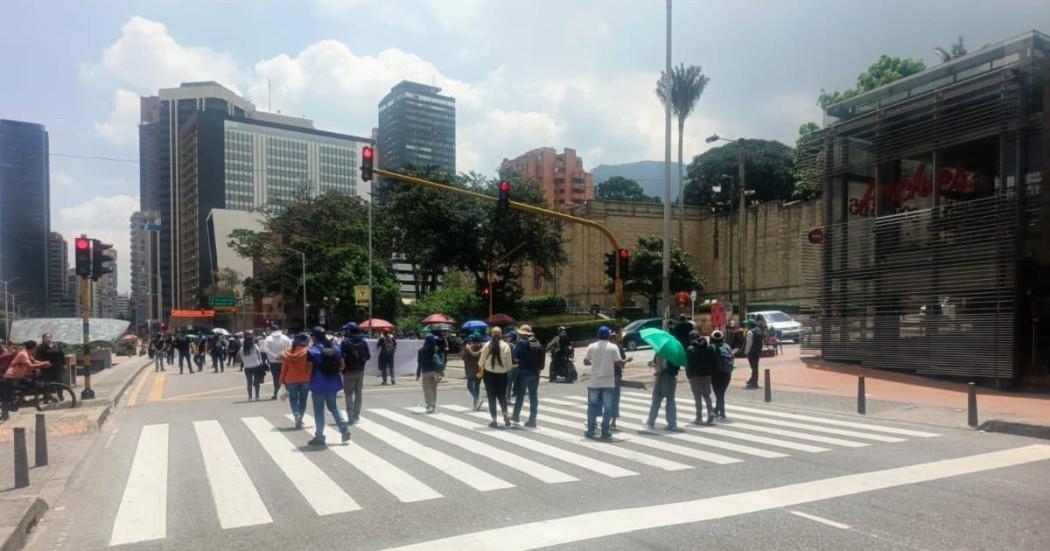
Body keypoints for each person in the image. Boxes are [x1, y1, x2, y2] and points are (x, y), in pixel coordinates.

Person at [306, 326, 350, 446]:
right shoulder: (336, 348)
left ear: (314, 337)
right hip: (333, 383)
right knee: (333, 407)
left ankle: (320, 437)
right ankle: (344, 429)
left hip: (318, 384)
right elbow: (342, 365)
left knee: (319, 411)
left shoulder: (313, 350)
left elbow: (309, 369)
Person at [583, 326, 624, 440]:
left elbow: (586, 361)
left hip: (594, 382)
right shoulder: (613, 347)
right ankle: (605, 431)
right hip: (608, 382)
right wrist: (625, 362)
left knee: (592, 407)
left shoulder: (592, 346)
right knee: (608, 408)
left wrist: (594, 363)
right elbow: (619, 363)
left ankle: (591, 431)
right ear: (609, 336)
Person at [1, 341, 51, 418]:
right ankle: (7, 412)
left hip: (19, 377)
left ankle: (19, 399)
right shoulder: (23, 354)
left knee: (30, 384)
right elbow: (30, 366)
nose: (36, 348)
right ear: (34, 347)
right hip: (10, 378)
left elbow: (34, 361)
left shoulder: (28, 353)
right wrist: (42, 365)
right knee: (7, 400)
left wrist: (43, 362)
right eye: (36, 347)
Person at [478, 326, 513, 428]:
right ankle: (506, 416)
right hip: (502, 375)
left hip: (489, 374)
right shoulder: (506, 346)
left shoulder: (487, 345)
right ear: (501, 334)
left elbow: (481, 362)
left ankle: (494, 420)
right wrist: (505, 369)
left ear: (491, 334)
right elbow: (509, 364)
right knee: (502, 396)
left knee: (491, 397)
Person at [511, 325, 544, 427]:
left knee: (520, 395)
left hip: (524, 371)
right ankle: (532, 419)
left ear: (522, 334)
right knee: (533, 396)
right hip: (536, 372)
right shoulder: (537, 342)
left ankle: (516, 416)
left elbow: (515, 357)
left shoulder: (521, 343)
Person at [340, 323, 370, 424]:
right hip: (360, 371)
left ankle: (351, 417)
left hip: (348, 371)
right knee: (358, 394)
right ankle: (356, 415)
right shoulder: (363, 341)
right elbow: (368, 356)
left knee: (348, 394)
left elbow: (341, 357)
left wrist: (342, 369)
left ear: (349, 330)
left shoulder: (345, 342)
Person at [279, 333, 311, 429]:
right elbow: (310, 367)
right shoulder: (308, 352)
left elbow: (284, 368)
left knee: (293, 399)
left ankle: (296, 413)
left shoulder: (287, 352)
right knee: (303, 400)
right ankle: (300, 416)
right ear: (304, 341)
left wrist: (282, 379)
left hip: (291, 379)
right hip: (305, 379)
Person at [645, 344, 681, 431]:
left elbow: (657, 365)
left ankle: (651, 420)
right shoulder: (675, 353)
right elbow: (677, 367)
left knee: (656, 399)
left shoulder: (660, 352)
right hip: (672, 377)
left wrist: (652, 364)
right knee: (670, 399)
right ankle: (672, 423)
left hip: (661, 376)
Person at [685, 330, 717, 425]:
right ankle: (710, 413)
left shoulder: (690, 349)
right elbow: (714, 361)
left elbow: (688, 364)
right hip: (707, 375)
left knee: (697, 397)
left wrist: (689, 375)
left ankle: (699, 417)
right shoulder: (709, 348)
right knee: (707, 395)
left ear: (691, 338)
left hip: (695, 376)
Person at [415, 335, 445, 413]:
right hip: (435, 372)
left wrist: (418, 374)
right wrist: (442, 371)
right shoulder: (436, 349)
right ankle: (433, 405)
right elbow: (441, 360)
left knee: (427, 389)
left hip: (425, 371)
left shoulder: (421, 350)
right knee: (434, 389)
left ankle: (430, 405)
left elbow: (419, 363)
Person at [709, 329, 734, 420]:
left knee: (719, 394)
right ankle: (717, 410)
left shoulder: (710, 347)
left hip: (715, 373)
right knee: (721, 393)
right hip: (727, 373)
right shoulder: (727, 346)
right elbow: (732, 358)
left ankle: (722, 412)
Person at [263, 325, 292, 400]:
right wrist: (282, 355)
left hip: (273, 362)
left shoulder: (268, 339)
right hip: (285, 361)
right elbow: (290, 348)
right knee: (286, 378)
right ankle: (287, 393)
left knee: (276, 378)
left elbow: (266, 350)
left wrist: (275, 356)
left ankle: (275, 394)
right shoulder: (286, 338)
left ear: (271, 330)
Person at [240, 332, 266, 401]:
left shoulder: (242, 348)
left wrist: (246, 362)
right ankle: (257, 396)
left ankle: (250, 397)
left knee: (249, 382)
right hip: (256, 366)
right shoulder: (255, 346)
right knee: (257, 382)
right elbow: (259, 355)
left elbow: (242, 358)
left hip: (247, 367)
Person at [462, 332, 483, 410]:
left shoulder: (468, 348)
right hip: (479, 370)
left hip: (470, 370)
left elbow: (463, 357)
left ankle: (477, 399)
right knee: (477, 387)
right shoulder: (482, 347)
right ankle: (475, 405)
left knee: (470, 387)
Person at [743, 319, 764, 388]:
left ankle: (754, 382)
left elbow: (749, 343)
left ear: (750, 325)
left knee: (754, 368)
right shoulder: (759, 330)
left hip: (751, 352)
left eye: (747, 324)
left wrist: (746, 352)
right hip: (757, 351)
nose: (746, 326)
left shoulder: (750, 332)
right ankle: (752, 379)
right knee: (755, 366)